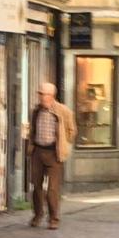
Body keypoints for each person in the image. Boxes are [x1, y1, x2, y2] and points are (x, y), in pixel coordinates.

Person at [26, 83, 76, 230]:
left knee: (53, 189)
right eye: (40, 94)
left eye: (44, 94)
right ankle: (38, 215)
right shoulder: (36, 110)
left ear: (51, 96)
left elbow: (72, 131)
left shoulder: (63, 111)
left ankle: (54, 218)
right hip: (38, 151)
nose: (41, 97)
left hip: (54, 153)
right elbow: (32, 129)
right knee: (36, 186)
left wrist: (63, 144)